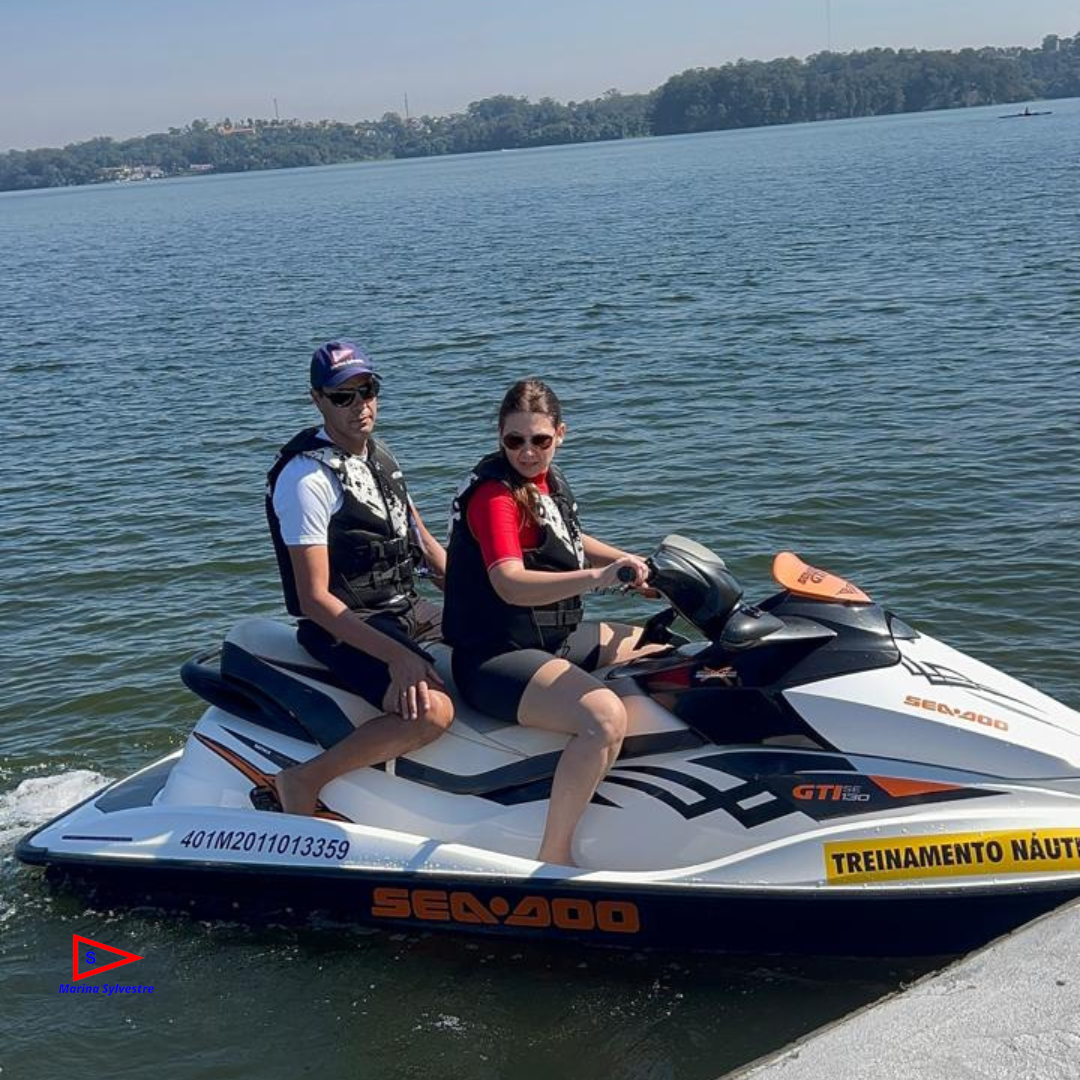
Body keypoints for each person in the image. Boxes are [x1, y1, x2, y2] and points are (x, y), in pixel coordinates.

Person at [442, 378, 659, 866]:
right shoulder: (494, 498)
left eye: (539, 440)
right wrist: (598, 578)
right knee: (604, 719)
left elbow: (572, 537)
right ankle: (554, 855)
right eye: (514, 441)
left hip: (550, 640)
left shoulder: (546, 484)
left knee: (656, 650)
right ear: (498, 437)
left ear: (561, 434)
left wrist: (636, 563)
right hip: (496, 658)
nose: (527, 452)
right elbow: (510, 583)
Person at [265, 339, 454, 815]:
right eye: (342, 396)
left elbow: (427, 549)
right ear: (317, 400)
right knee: (431, 712)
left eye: (366, 390)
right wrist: (399, 660)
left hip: (406, 609)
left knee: (502, 645)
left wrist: (489, 601)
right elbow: (314, 599)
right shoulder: (306, 480)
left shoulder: (380, 458)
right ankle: (303, 780)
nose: (359, 406)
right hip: (344, 628)